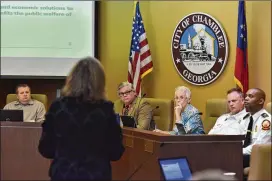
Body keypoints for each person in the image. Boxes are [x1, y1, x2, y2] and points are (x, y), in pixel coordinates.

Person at [38, 57, 125, 180]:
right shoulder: (105, 109)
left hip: (63, 175)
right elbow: (116, 152)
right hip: (96, 176)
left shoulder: (58, 107)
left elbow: (45, 149)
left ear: (72, 79)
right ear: (100, 81)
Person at [243, 88, 271, 168]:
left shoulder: (266, 121)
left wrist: (237, 151)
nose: (246, 99)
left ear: (260, 101)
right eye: (246, 96)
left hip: (259, 156)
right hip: (245, 153)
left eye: (250, 96)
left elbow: (259, 146)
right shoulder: (246, 118)